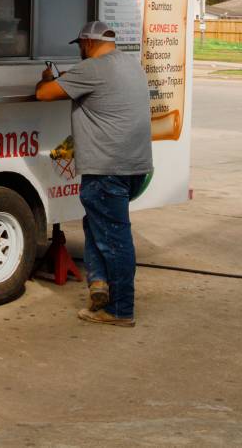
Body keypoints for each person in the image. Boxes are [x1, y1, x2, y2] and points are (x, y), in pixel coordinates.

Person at [34, 20, 153, 328]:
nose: (81, 52)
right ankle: (99, 284)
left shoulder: (92, 69)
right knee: (97, 224)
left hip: (106, 169)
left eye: (80, 47)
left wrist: (47, 78)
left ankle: (120, 309)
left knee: (115, 238)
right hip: (135, 167)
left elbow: (44, 94)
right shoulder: (131, 65)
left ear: (87, 43)